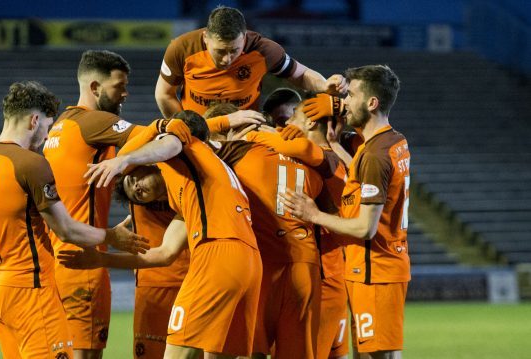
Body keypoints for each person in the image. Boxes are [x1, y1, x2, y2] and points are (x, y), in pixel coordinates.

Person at [0, 81, 148, 358]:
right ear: (34, 120)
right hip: (30, 290)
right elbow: (67, 230)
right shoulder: (30, 164)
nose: (46, 137)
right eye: (47, 127)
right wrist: (111, 236)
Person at [61, 110, 262, 359]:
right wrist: (102, 260)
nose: (136, 186)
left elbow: (168, 142)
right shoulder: (196, 187)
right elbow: (164, 253)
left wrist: (128, 155)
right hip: (248, 261)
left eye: (134, 178)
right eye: (135, 192)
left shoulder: (183, 150)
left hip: (217, 254)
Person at [281, 65, 410, 359]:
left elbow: (366, 228)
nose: (344, 102)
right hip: (376, 266)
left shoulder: (375, 156)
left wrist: (312, 214)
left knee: (380, 355)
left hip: (375, 269)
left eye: (351, 95)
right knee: (367, 353)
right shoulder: (392, 142)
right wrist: (336, 146)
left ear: (372, 103)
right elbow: (368, 179)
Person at [42, 49, 137, 359]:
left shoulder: (59, 126)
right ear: (95, 87)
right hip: (84, 265)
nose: (125, 93)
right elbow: (156, 137)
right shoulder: (95, 122)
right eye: (119, 85)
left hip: (56, 263)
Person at [246, 97, 351, 358]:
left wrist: (258, 134)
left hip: (323, 279)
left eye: (291, 120)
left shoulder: (324, 163)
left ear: (310, 122)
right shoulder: (335, 160)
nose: (286, 126)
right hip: (327, 275)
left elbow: (348, 229)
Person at [154, 5, 347, 119]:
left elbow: (300, 74)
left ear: (244, 38)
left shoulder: (264, 50)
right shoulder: (181, 49)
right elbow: (164, 94)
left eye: (234, 51)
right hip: (200, 132)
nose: (227, 59)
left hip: (246, 132)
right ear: (206, 38)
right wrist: (186, 127)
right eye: (220, 51)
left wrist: (324, 85)